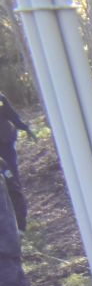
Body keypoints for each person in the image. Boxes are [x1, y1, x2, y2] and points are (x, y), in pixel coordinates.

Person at [0, 91, 34, 229]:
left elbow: (11, 114)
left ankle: (21, 223)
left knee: (12, 180)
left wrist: (25, 127)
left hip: (5, 144)